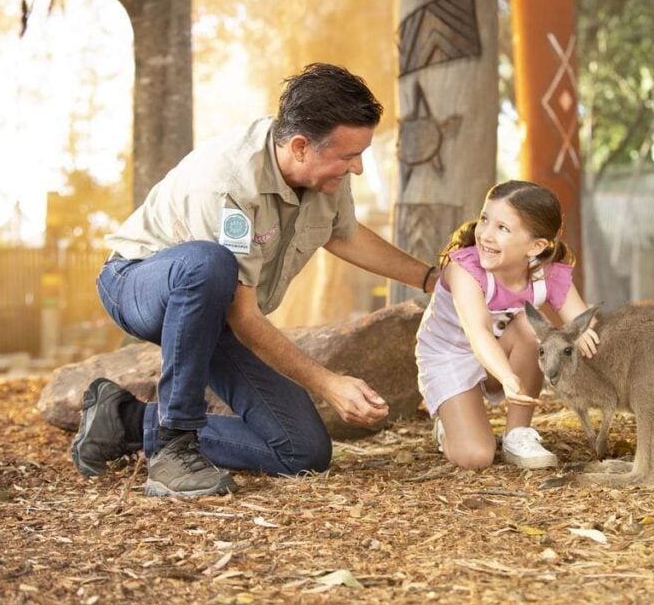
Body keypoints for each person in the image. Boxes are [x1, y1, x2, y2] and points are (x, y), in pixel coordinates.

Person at [71, 63, 440, 497]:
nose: (357, 168)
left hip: (214, 311)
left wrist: (433, 278)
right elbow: (244, 316)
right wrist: (328, 382)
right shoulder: (228, 184)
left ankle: (125, 421)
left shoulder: (324, 175)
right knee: (208, 265)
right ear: (301, 146)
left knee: (303, 452)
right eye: (348, 156)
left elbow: (347, 236)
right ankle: (173, 450)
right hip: (142, 283)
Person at [415, 180, 599, 470]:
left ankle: (517, 433)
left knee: (532, 326)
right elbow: (479, 333)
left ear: (536, 246)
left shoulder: (546, 274)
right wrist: (507, 376)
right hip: (451, 355)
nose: (485, 235)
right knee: (476, 457)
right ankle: (448, 425)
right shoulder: (464, 269)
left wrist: (586, 331)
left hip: (503, 347)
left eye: (502, 228)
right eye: (485, 219)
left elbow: (581, 319)